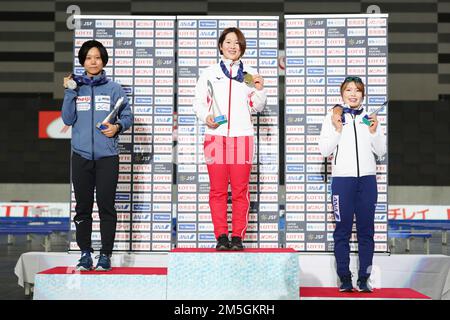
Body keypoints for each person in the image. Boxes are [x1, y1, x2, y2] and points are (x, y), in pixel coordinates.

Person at [193, 27, 267, 251]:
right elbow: (198, 103)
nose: (233, 46)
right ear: (220, 45)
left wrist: (260, 90)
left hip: (242, 137)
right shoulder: (209, 73)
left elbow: (257, 106)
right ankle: (221, 237)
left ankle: (237, 237)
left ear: (242, 47)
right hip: (215, 138)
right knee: (217, 190)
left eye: (237, 42)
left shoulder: (249, 74)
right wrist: (206, 117)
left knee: (240, 190)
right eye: (228, 42)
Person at [62, 40, 133, 271]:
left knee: (106, 206)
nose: (93, 61)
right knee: (83, 207)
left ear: (104, 61)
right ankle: (85, 253)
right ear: (82, 61)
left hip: (107, 157)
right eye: (89, 57)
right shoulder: (76, 87)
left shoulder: (114, 89)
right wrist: (69, 93)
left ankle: (105, 255)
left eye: (98, 57)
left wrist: (118, 127)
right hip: (81, 156)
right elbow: (67, 119)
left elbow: (128, 117)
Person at [319, 76, 386, 292]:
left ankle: (364, 279)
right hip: (342, 181)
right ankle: (345, 279)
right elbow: (324, 150)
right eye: (349, 90)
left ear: (363, 94)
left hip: (367, 181)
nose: (353, 94)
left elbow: (381, 151)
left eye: (357, 90)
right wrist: (337, 129)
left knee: (367, 232)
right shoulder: (333, 116)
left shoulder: (370, 118)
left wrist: (375, 132)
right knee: (342, 232)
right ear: (342, 94)